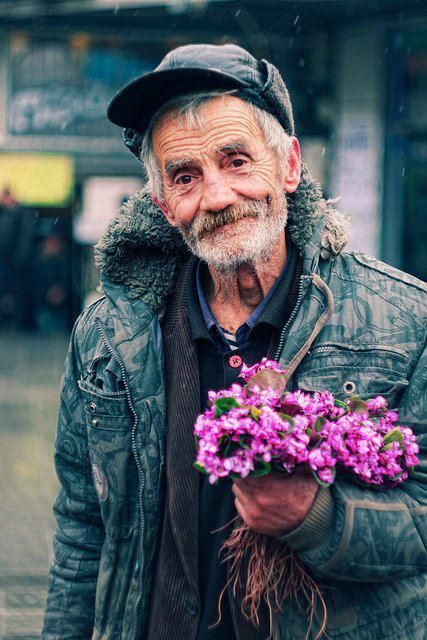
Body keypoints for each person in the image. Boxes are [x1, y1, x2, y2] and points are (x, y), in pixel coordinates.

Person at [42, 44, 426, 640]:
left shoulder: (403, 320)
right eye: (186, 177)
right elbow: (82, 529)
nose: (216, 197)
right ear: (165, 205)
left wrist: (319, 519)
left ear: (289, 166)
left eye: (237, 161)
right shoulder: (108, 335)